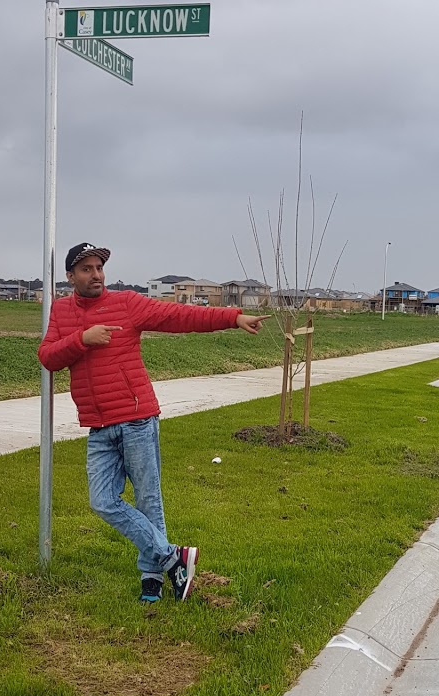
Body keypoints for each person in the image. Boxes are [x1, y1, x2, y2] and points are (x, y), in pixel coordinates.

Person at [37, 243, 268, 603]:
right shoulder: (62, 311)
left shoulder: (127, 303)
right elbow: (48, 357)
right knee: (102, 502)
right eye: (86, 269)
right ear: (70, 276)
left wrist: (232, 317)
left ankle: (152, 579)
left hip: (137, 419)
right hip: (98, 426)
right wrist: (82, 339)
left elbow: (178, 316)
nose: (95, 274)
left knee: (148, 502)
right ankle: (173, 557)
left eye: (99, 267)